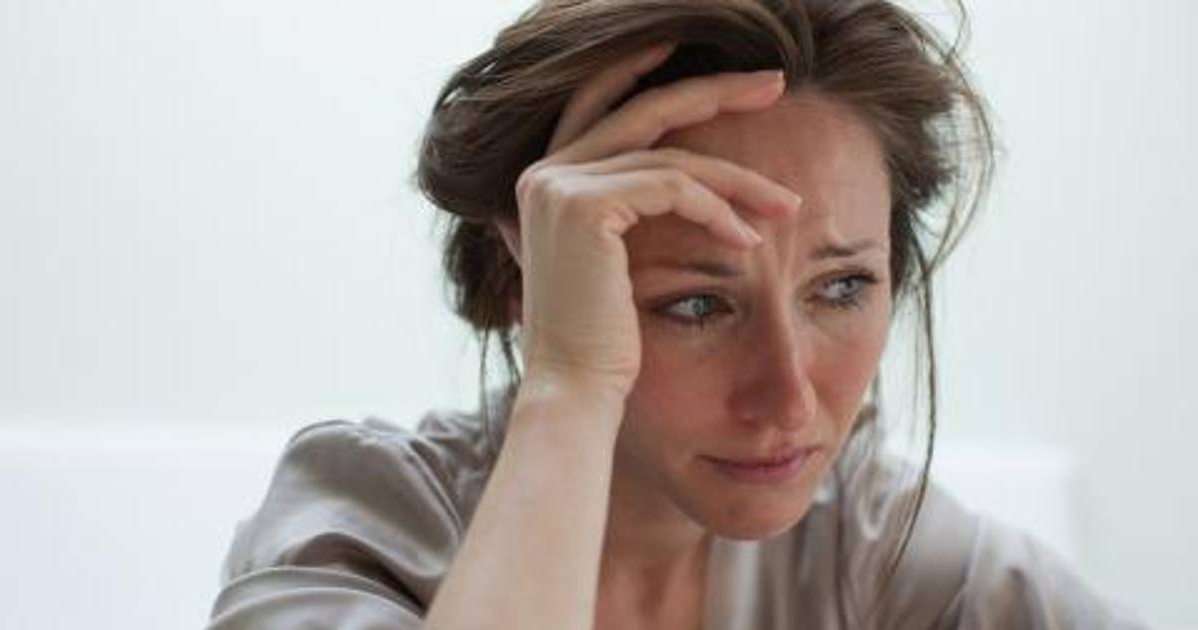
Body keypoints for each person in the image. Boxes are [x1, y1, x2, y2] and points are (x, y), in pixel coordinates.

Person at [207, 1, 1147, 628]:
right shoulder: (364, 530)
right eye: (696, 304)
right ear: (530, 284)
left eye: (841, 288)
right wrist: (571, 383)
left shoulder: (863, 546)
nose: (789, 398)